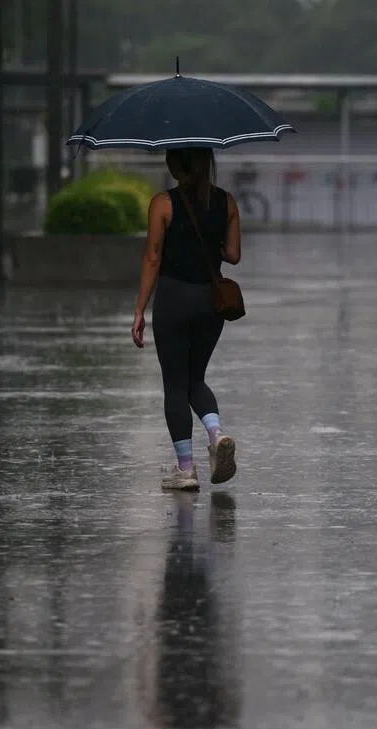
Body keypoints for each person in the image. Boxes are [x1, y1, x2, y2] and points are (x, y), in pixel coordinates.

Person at [132, 147, 241, 491]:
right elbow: (233, 255)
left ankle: (186, 469)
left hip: (174, 299)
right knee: (196, 379)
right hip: (210, 302)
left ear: (175, 164)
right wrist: (211, 244)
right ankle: (216, 432)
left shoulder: (163, 203)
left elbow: (152, 258)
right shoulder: (227, 202)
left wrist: (139, 310)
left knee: (175, 385)